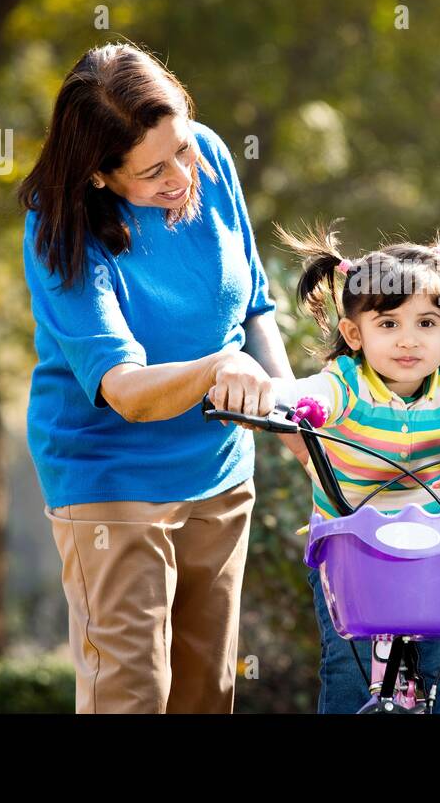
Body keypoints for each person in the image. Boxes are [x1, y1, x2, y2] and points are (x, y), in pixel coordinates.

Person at [18, 43, 301, 713]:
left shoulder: (207, 156)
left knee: (208, 692)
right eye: (152, 171)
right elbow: (124, 390)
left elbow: (255, 307)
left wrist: (297, 423)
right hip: (111, 478)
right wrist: (217, 370)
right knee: (132, 693)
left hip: (220, 471)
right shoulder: (59, 230)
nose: (180, 174)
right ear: (98, 175)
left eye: (182, 147)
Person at [235, 223, 440, 713]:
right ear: (354, 333)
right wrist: (265, 395)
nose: (408, 341)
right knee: (346, 675)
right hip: (353, 548)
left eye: (427, 324)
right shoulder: (346, 384)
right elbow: (305, 394)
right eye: (388, 325)